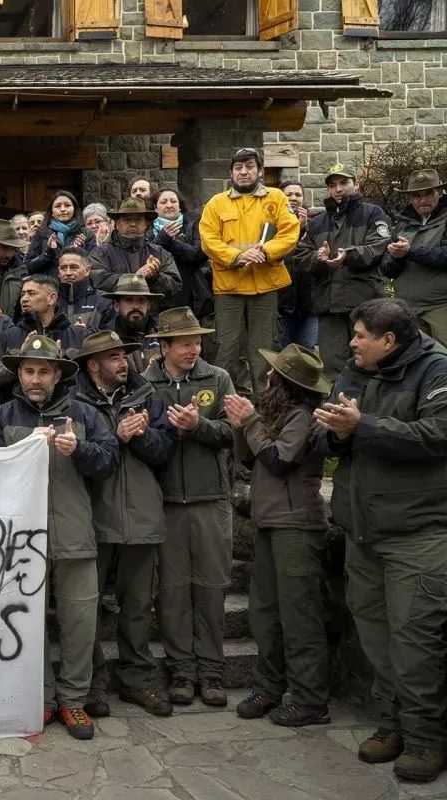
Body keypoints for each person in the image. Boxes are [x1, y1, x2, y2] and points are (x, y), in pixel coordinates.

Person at [313, 298, 447, 782]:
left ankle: (427, 738)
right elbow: (330, 435)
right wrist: (338, 432)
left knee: (416, 643)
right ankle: (392, 723)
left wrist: (363, 426)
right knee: (375, 634)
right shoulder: (354, 371)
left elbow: (437, 434)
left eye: (360, 335)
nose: (351, 343)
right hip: (361, 531)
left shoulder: (436, 370)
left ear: (388, 341)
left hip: (417, 533)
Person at [0, 335, 117, 739]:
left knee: (79, 621)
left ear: (58, 374)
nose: (35, 378)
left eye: (43, 371)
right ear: (18, 374)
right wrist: (24, 446)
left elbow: (109, 461)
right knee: (27, 624)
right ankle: (38, 701)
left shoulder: (86, 414)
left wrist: (80, 450)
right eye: (28, 370)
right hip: (21, 541)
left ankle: (73, 701)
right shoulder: (0, 416)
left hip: (75, 533)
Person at [71, 329, 176, 718]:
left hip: (142, 516)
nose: (124, 363)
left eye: (125, 355)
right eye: (114, 357)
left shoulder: (147, 395)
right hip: (93, 519)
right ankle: (91, 683)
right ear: (92, 364)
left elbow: (166, 450)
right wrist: (114, 439)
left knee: (137, 605)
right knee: (88, 608)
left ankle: (138, 680)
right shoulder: (74, 401)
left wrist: (142, 435)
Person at [227, 344, 332, 728]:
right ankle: (268, 687)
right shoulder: (279, 414)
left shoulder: (303, 417)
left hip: (297, 528)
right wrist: (242, 426)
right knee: (264, 613)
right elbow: (252, 459)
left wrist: (251, 420)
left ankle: (309, 699)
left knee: (299, 617)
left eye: (272, 373)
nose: (266, 377)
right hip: (270, 524)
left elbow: (279, 461)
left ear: (284, 383)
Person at [143, 307, 236, 708]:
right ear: (163, 346)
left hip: (210, 498)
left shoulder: (218, 378)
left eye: (197, 341)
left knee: (212, 588)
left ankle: (212, 671)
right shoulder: (145, 384)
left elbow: (234, 433)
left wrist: (200, 426)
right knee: (173, 591)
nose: (193, 349)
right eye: (184, 343)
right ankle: (181, 669)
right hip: (164, 502)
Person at [199, 147, 300, 398]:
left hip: (264, 287)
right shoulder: (216, 203)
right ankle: (226, 406)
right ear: (231, 173)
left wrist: (265, 251)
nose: (244, 172)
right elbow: (208, 240)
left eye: (249, 167)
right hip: (228, 288)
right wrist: (238, 256)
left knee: (263, 353)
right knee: (226, 351)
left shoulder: (276, 198)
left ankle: (264, 406)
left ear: (260, 171)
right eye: (238, 167)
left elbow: (290, 233)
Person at [291, 164, 388, 381]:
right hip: (329, 307)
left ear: (357, 184)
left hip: (365, 305)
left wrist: (349, 254)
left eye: (344, 183)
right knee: (332, 369)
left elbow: (378, 246)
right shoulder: (318, 222)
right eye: (333, 185)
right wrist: (319, 258)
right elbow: (300, 257)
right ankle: (335, 411)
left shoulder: (373, 213)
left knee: (370, 364)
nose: (339, 189)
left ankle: (367, 412)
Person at [0, 274, 92, 401]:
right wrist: (18, 360)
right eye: (22, 294)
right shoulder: (9, 335)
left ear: (52, 298)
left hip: (67, 410)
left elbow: (93, 375)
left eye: (31, 293)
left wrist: (61, 364)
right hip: (18, 412)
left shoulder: (78, 335)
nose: (24, 299)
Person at [380, 169, 447, 345]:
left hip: (441, 307)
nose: (422, 200)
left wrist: (410, 251)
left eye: (428, 194)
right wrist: (397, 256)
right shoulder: (402, 226)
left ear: (439, 193)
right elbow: (388, 270)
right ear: (409, 198)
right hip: (408, 309)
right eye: (416, 196)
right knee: (414, 364)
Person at [90, 198, 182, 299]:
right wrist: (136, 278)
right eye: (127, 219)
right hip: (112, 313)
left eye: (138, 219)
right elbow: (98, 282)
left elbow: (175, 285)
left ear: (146, 224)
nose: (133, 224)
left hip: (150, 313)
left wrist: (154, 277)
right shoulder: (100, 253)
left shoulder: (159, 253)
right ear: (117, 224)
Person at [152, 189, 212, 319]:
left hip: (192, 294)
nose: (169, 205)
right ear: (155, 208)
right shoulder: (147, 227)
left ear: (180, 206)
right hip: (160, 295)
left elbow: (198, 254)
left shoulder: (195, 223)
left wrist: (172, 242)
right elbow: (147, 256)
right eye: (163, 202)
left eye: (173, 201)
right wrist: (162, 238)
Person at [277, 181, 318, 350]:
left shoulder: (315, 225)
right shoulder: (273, 224)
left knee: (307, 351)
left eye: (298, 195)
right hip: (281, 302)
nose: (294, 198)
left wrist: (303, 229)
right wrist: (294, 230)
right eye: (289, 194)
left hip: (308, 302)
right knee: (281, 352)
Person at [103, 274, 165, 372]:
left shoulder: (163, 336)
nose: (136, 306)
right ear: (116, 305)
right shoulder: (106, 341)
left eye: (141, 300)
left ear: (149, 305)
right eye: (129, 300)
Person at [27, 190, 88, 273]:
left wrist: (79, 250)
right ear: (51, 212)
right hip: (49, 284)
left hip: (77, 284)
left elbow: (93, 266)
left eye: (67, 205)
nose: (62, 209)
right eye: (58, 206)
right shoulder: (42, 232)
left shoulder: (85, 233)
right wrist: (48, 252)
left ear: (74, 209)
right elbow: (29, 266)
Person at [58, 246, 115, 331]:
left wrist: (84, 334)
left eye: (74, 267)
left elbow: (110, 339)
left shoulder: (104, 301)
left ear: (87, 270)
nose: (68, 273)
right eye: (63, 268)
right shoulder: (50, 300)